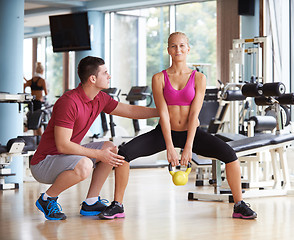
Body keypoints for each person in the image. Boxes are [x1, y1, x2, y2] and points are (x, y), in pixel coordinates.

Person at [99, 32, 257, 220]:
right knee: (124, 154)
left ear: (188, 49)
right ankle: (118, 205)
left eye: (182, 46)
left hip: (192, 133)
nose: (178, 49)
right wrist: (170, 146)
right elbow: (163, 113)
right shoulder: (159, 78)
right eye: (174, 46)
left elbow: (194, 113)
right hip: (164, 132)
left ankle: (239, 204)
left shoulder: (199, 78)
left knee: (230, 155)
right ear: (168, 50)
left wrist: (188, 146)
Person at [30, 56, 159, 220]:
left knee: (110, 148)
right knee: (85, 165)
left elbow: (131, 111)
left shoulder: (100, 98)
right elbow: (62, 146)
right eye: (105, 73)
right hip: (44, 163)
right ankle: (47, 199)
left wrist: (161, 111)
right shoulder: (69, 102)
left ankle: (91, 201)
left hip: (65, 157)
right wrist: (97, 155)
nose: (109, 76)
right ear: (92, 78)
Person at [24, 62, 48, 135]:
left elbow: (24, 85)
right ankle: (40, 142)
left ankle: (35, 141)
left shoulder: (31, 80)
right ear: (41, 71)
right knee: (38, 123)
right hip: (38, 103)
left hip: (31, 103)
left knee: (33, 123)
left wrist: (26, 94)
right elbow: (46, 92)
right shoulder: (42, 80)